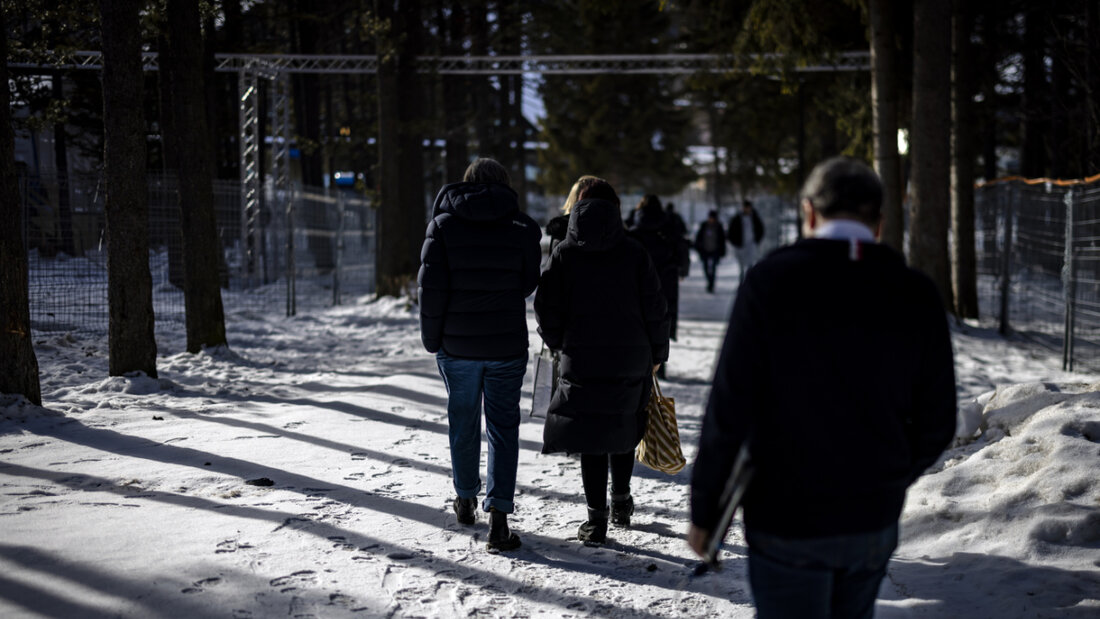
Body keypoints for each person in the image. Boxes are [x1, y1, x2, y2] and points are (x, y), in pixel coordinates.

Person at [687, 157, 957, 618]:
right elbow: (938, 421)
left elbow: (730, 407)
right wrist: (889, 473)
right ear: (879, 223)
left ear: (809, 213)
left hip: (785, 516)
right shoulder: (915, 293)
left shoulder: (771, 282)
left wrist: (705, 509)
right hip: (871, 519)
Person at [535, 177, 670, 545]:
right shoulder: (634, 251)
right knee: (623, 427)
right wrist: (658, 353)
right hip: (632, 354)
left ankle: (596, 521)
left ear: (578, 206)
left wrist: (559, 341)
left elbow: (547, 307)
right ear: (616, 209)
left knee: (590, 434)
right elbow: (655, 308)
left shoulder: (565, 252)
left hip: (581, 355)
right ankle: (622, 502)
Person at [418, 157, 542, 552]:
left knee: (463, 421)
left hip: (457, 345)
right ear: (504, 182)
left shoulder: (442, 226)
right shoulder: (522, 227)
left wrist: (432, 339)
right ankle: (500, 520)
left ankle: (465, 497)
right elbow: (528, 282)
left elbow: (431, 291)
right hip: (505, 345)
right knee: (503, 428)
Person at [628, 194, 683, 363]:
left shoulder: (633, 228)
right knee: (662, 320)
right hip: (665, 278)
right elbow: (679, 249)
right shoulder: (668, 226)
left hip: (640, 280)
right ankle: (661, 362)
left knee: (641, 319)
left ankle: (643, 361)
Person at [727, 199, 765, 284]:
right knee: (741, 265)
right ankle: (742, 281)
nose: (747, 209)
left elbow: (760, 230)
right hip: (740, 245)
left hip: (751, 244)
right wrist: (734, 242)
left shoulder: (755, 218)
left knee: (750, 264)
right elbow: (731, 231)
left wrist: (756, 241)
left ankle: (749, 281)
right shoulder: (737, 218)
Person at [694, 209, 726, 293]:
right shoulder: (704, 225)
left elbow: (722, 240)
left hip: (715, 250)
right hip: (705, 250)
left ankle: (711, 284)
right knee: (705, 268)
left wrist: (722, 251)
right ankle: (709, 281)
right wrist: (698, 247)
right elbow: (699, 237)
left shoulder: (719, 226)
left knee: (714, 268)